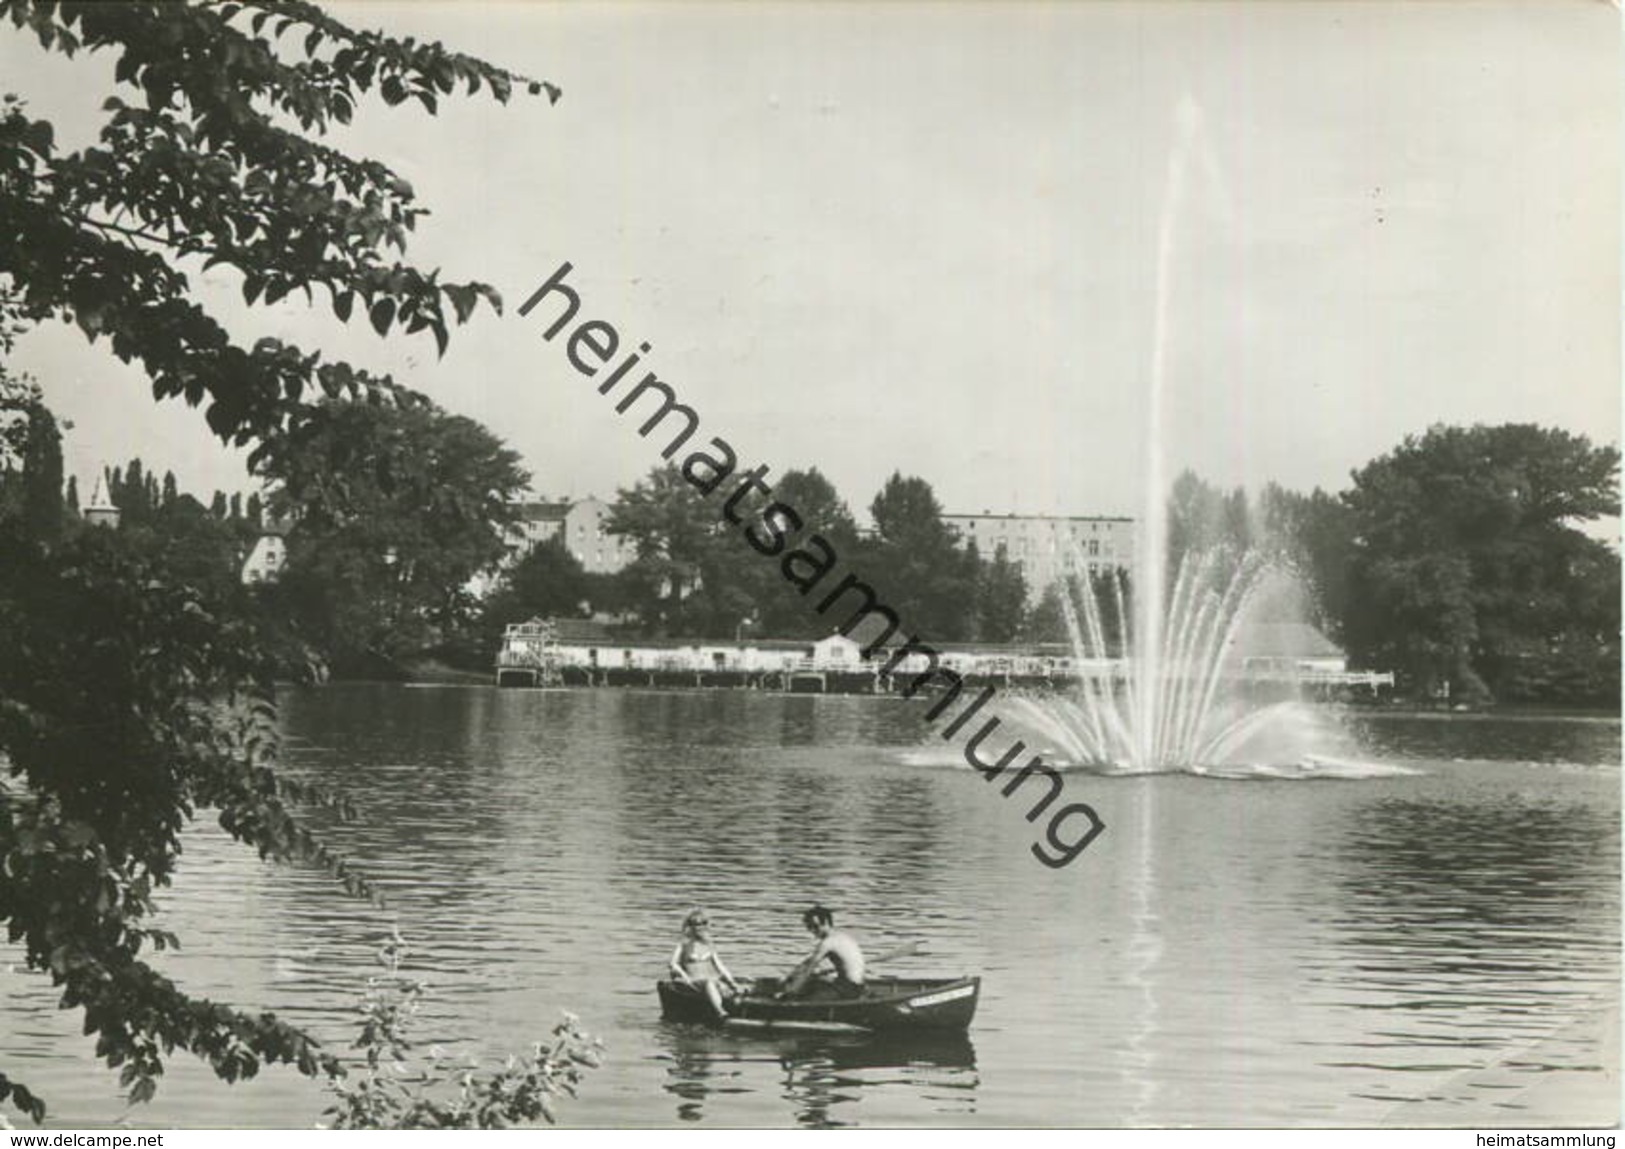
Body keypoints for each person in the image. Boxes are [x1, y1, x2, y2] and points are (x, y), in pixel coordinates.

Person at [670, 908, 742, 1019]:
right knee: (709, 983)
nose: (699, 927)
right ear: (690, 926)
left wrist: (732, 982)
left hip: (713, 979)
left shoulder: (709, 944)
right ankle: (720, 1012)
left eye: (702, 923)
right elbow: (673, 964)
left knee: (735, 987)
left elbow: (720, 965)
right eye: (695, 924)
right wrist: (684, 976)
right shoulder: (683, 944)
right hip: (694, 982)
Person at [782, 905, 866, 999]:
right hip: (859, 986)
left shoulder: (827, 943)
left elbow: (808, 969)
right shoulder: (843, 937)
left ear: (826, 922)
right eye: (809, 927)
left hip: (849, 989)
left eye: (815, 926)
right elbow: (808, 962)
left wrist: (790, 992)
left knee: (808, 987)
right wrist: (792, 974)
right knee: (816, 979)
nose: (812, 931)